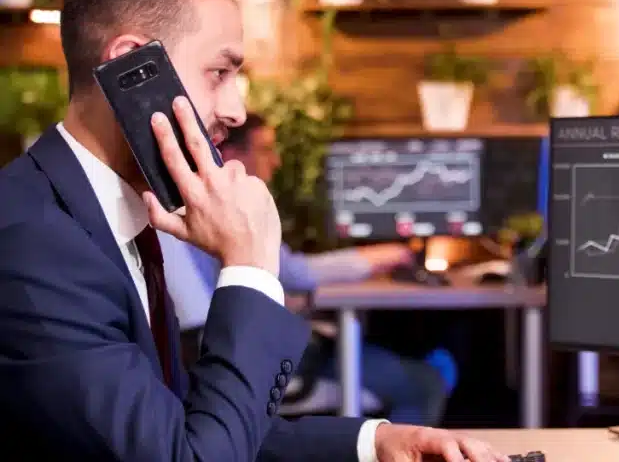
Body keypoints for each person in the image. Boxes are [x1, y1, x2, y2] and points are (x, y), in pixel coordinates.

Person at [0, 0, 506, 462]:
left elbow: (188, 431)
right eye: (220, 73)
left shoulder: (101, 216)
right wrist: (250, 264)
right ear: (134, 69)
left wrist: (372, 443)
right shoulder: (34, 243)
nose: (239, 110)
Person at [160, 113, 452, 426]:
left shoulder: (191, 205)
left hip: (240, 351)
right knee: (427, 382)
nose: (276, 161)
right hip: (258, 360)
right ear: (230, 155)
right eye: (265, 150)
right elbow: (293, 273)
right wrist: (381, 256)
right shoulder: (226, 211)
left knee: (424, 363)